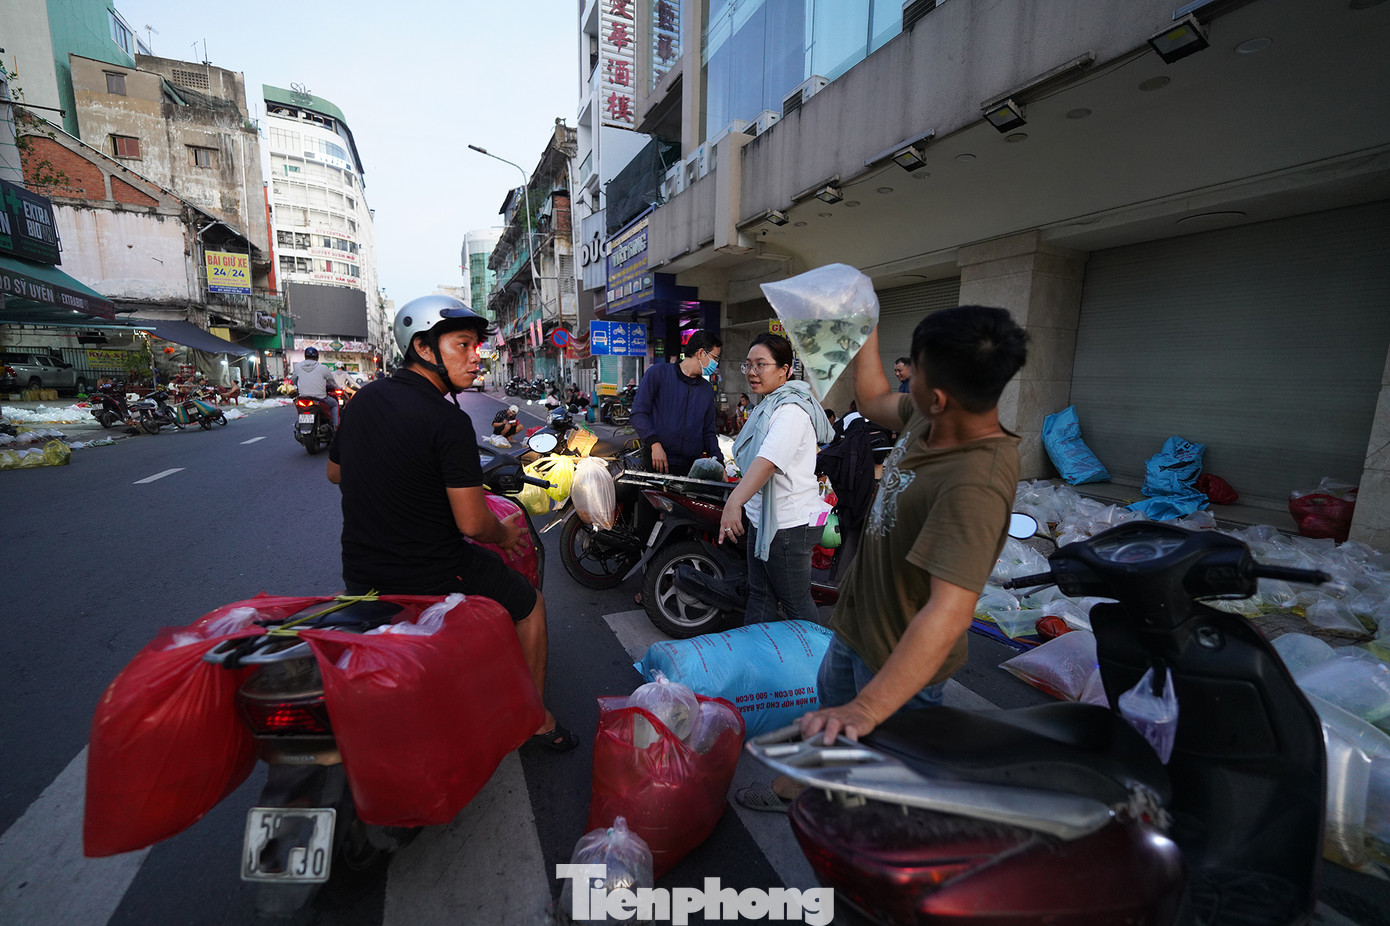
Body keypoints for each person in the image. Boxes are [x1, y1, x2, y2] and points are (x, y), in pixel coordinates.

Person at [736, 306, 1027, 811]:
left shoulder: (975, 482)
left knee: (878, 793)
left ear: (937, 395)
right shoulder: (932, 417)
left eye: (912, 373)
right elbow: (871, 398)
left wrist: (869, 707)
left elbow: (950, 610)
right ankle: (797, 789)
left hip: (897, 663)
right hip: (856, 628)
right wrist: (862, 323)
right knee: (830, 718)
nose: (903, 381)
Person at [326, 294, 577, 753]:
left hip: (360, 571)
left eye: (476, 346)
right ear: (424, 348)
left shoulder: (363, 401)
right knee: (530, 604)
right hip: (433, 570)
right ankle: (535, 719)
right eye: (462, 345)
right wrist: (508, 533)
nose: (475, 356)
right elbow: (474, 524)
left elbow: (336, 471)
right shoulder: (447, 420)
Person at [719, 333, 834, 626]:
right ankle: (759, 663)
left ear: (784, 369)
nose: (753, 373)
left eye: (761, 365)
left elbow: (767, 462)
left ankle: (816, 667)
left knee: (796, 605)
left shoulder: (790, 410)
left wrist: (734, 501)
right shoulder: (767, 406)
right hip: (763, 520)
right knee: (760, 595)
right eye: (748, 365)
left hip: (787, 525)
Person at [627, 330, 724, 475]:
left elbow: (708, 432)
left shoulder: (706, 390)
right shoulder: (658, 374)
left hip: (690, 468)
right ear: (701, 353)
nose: (716, 363)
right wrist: (654, 444)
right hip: (656, 461)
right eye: (715, 357)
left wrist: (718, 462)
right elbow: (638, 414)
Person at [291, 347, 342, 426]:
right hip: (321, 398)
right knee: (334, 404)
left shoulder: (297, 367)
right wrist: (338, 387)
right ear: (317, 357)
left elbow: (294, 380)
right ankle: (336, 426)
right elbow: (331, 381)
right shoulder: (323, 368)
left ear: (305, 356)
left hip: (303, 397)